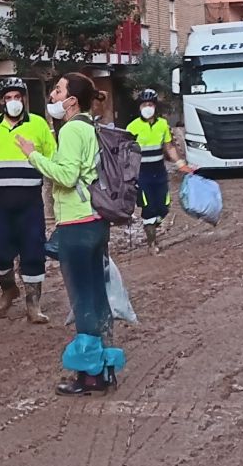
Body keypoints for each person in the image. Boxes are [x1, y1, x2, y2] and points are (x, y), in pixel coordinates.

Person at [14, 72, 115, 395]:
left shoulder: (72, 130)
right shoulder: (90, 127)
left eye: (58, 91)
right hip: (95, 221)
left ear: (71, 101)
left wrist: (33, 154)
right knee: (97, 295)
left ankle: (89, 377)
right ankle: (103, 367)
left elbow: (67, 176)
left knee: (83, 298)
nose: (53, 97)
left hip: (76, 224)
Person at [0, 77, 55, 322]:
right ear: (2, 101)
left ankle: (34, 306)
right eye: (8, 98)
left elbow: (52, 161)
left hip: (30, 204)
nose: (13, 102)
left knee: (33, 253)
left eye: (17, 97)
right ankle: (8, 289)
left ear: (24, 99)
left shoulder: (39, 125)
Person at [125, 89, 189, 251]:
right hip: (142, 174)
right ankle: (152, 243)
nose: (147, 107)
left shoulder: (162, 125)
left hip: (159, 172)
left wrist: (181, 163)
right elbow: (126, 152)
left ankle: (153, 225)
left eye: (150, 104)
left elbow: (169, 147)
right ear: (139, 107)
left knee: (164, 207)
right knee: (149, 208)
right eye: (144, 104)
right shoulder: (132, 127)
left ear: (155, 107)